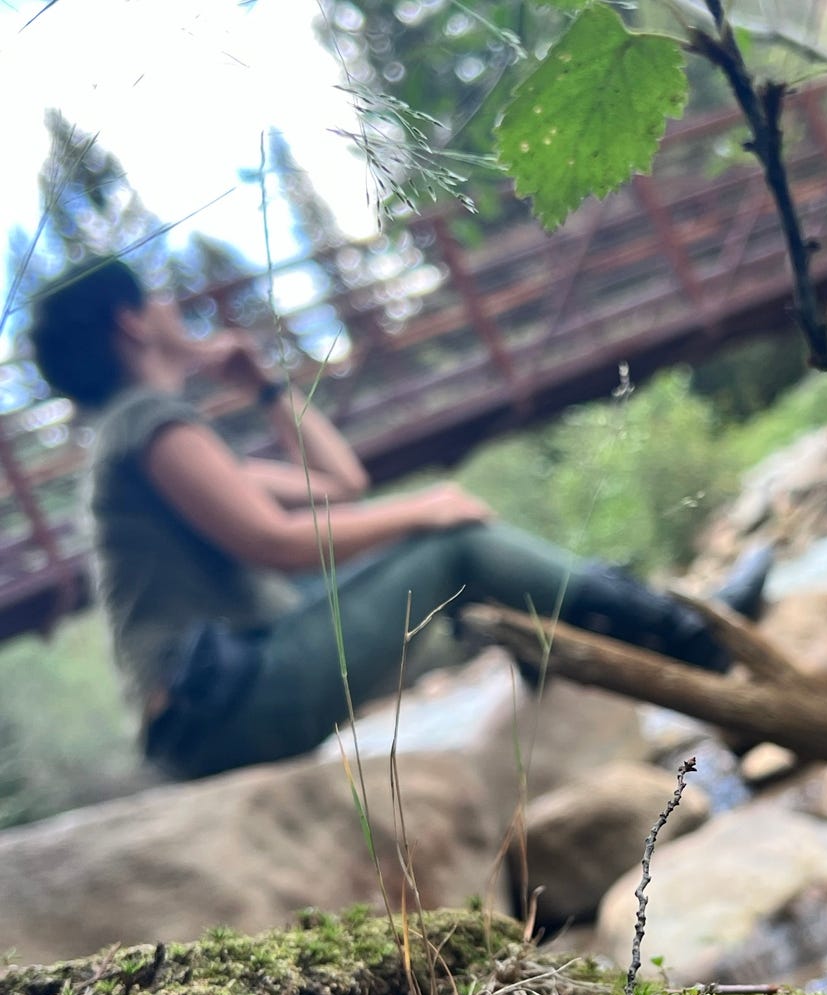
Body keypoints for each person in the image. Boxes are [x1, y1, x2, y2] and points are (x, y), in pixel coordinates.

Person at [30, 256, 770, 780]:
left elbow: (337, 483)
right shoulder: (148, 425)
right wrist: (427, 507)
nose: (171, 308)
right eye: (156, 299)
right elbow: (277, 542)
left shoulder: (148, 439)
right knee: (454, 546)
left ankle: (576, 649)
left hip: (221, 700)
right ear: (132, 323)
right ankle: (690, 639)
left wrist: (263, 389)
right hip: (218, 708)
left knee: (425, 547)